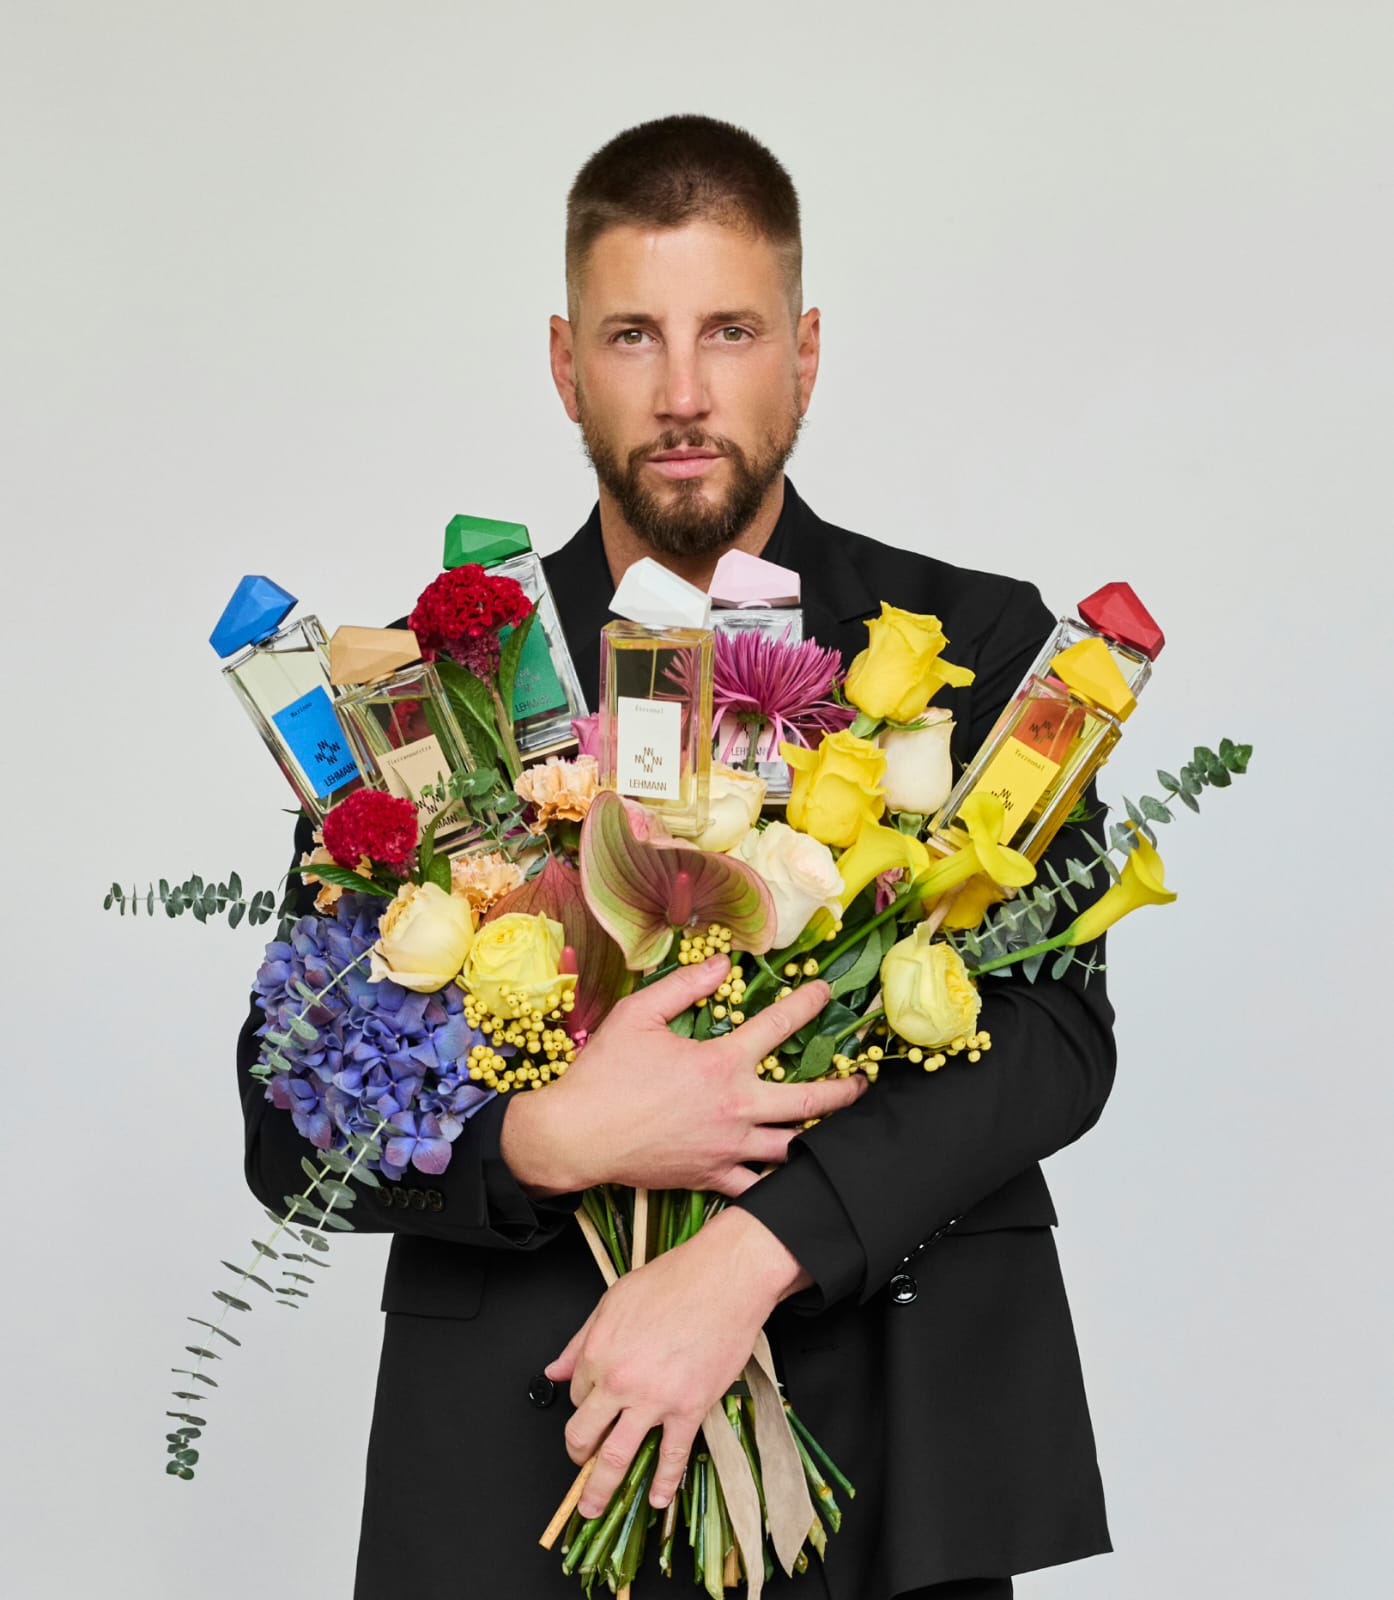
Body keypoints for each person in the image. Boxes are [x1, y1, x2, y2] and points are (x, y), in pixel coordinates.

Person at [237, 115, 1115, 1600]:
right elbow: (288, 1113)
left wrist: (745, 1259)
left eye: (732, 331)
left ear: (806, 353)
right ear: (566, 363)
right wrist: (544, 1140)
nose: (685, 393)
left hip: (888, 1454)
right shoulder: (438, 681)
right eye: (634, 335)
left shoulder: (971, 645)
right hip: (520, 1456)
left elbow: (1051, 1038)